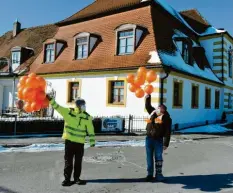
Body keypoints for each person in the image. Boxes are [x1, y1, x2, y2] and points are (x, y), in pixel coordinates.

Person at [47, 94, 95, 186]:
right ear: (78, 105)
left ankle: (77, 179)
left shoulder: (87, 117)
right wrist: (50, 99)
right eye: (82, 105)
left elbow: (91, 129)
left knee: (78, 162)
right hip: (69, 142)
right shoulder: (68, 112)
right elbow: (57, 107)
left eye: (84, 105)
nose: (84, 107)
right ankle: (67, 180)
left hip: (80, 144)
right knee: (68, 162)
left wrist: (92, 141)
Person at [145, 94, 172, 182]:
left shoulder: (167, 118)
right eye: (158, 108)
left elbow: (168, 132)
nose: (158, 109)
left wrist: (165, 144)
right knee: (149, 157)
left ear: (163, 110)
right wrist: (148, 97)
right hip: (149, 139)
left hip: (158, 140)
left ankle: (159, 174)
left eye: (160, 109)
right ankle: (149, 174)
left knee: (158, 157)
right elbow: (148, 106)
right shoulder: (153, 112)